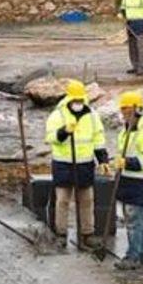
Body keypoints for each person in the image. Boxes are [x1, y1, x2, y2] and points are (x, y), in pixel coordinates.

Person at [44, 79, 108, 249]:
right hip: (63, 164)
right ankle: (61, 233)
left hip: (85, 165)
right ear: (69, 98)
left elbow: (98, 139)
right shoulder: (58, 115)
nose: (78, 103)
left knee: (87, 200)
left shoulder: (92, 116)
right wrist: (64, 131)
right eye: (75, 100)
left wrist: (102, 159)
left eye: (80, 100)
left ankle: (87, 233)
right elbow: (50, 138)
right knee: (62, 201)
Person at [113, 90, 143, 270]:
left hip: (142, 181)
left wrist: (127, 162)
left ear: (137, 110)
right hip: (128, 180)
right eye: (123, 111)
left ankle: (132, 256)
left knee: (134, 221)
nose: (124, 114)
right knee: (137, 220)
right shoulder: (126, 131)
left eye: (127, 111)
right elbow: (123, 153)